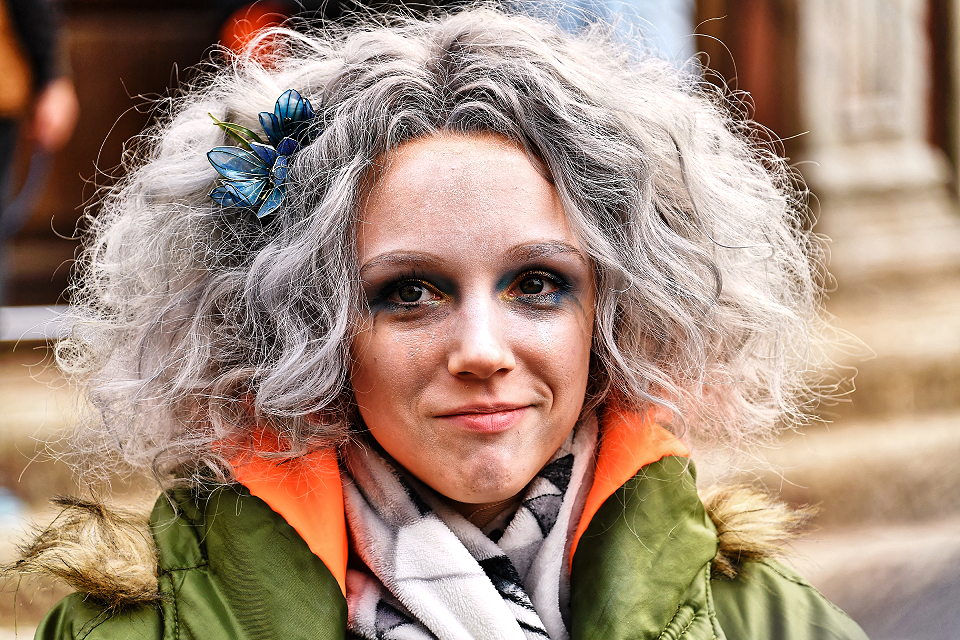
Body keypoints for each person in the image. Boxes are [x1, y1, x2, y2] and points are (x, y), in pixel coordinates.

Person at [9, 8, 867, 640]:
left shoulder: (765, 621)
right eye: (409, 293)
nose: (481, 352)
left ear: (616, 315)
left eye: (538, 284)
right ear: (302, 329)